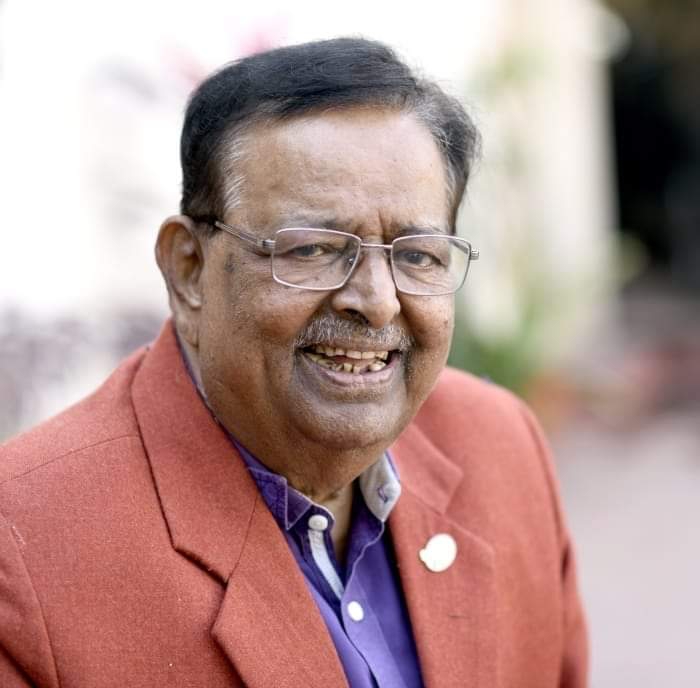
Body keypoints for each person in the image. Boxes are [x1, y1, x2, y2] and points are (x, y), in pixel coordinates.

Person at [0, 38, 587, 687]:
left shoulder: (501, 448)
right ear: (189, 270)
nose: (378, 302)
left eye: (417, 255)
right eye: (312, 249)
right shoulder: (25, 546)